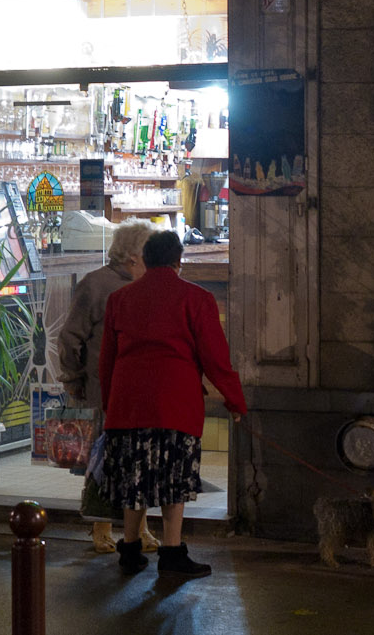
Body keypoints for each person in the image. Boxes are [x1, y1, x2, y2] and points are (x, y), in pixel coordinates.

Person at [98, 230, 248, 578]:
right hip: (175, 405)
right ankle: (171, 553)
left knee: (133, 479)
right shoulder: (196, 298)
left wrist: (111, 405)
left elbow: (107, 361)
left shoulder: (120, 299)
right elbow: (215, 357)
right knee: (173, 479)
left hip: (128, 405)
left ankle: (130, 549)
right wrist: (235, 401)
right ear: (179, 263)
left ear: (145, 260)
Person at [52, 220, 160, 555]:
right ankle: (101, 528)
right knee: (104, 459)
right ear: (132, 257)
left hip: (140, 388)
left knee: (139, 460)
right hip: (103, 389)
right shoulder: (96, 285)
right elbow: (69, 338)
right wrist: (72, 379)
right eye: (149, 255)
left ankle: (140, 527)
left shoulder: (148, 286)